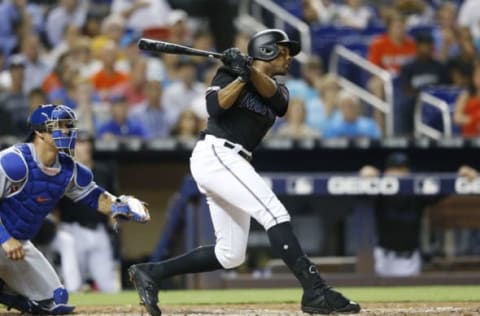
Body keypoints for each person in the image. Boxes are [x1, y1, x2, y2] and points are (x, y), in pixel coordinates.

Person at [128, 29, 361, 316]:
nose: (289, 58)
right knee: (274, 213)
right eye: (283, 51)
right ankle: (315, 290)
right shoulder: (228, 74)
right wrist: (239, 74)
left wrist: (248, 70)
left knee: (230, 254)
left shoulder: (280, 90)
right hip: (217, 153)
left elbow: (277, 101)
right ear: (266, 51)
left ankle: (151, 272)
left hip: (232, 159)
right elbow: (214, 108)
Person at [0, 104, 150, 314]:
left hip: (17, 243)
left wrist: (122, 207)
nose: (67, 131)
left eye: (68, 126)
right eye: (59, 126)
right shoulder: (13, 161)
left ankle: (7, 290)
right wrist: (4, 238)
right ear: (39, 132)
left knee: (55, 299)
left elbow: (97, 198)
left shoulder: (68, 170)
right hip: (4, 238)